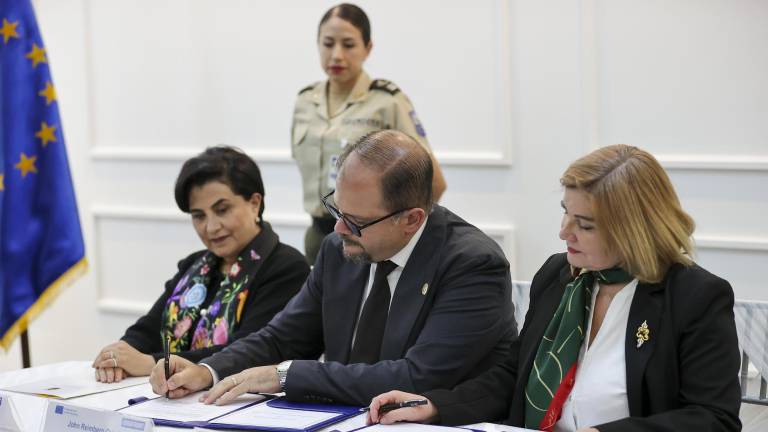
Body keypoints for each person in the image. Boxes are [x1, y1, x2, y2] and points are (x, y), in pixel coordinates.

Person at [367, 144, 742, 432]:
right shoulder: (559, 275)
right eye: (565, 211)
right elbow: (514, 374)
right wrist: (436, 405)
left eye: (585, 224)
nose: (564, 232)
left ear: (635, 230)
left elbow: (713, 418)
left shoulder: (694, 297)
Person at [149, 130, 515, 406]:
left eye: (354, 220)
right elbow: (282, 337)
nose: (338, 229)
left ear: (411, 219)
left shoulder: (473, 264)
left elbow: (416, 377)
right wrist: (209, 370)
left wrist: (285, 376)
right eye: (336, 209)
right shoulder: (338, 250)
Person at [92, 146, 310, 383]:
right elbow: (149, 329)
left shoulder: (286, 267)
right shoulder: (195, 265)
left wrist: (152, 362)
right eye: (199, 216)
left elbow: (249, 350)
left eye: (222, 210)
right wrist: (118, 356)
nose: (211, 227)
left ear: (254, 203)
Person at [292, 3, 447, 263]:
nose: (337, 55)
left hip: (368, 240)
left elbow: (433, 183)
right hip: (319, 236)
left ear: (368, 48)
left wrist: (398, 240)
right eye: (328, 43)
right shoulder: (305, 102)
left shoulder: (387, 102)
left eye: (349, 44)